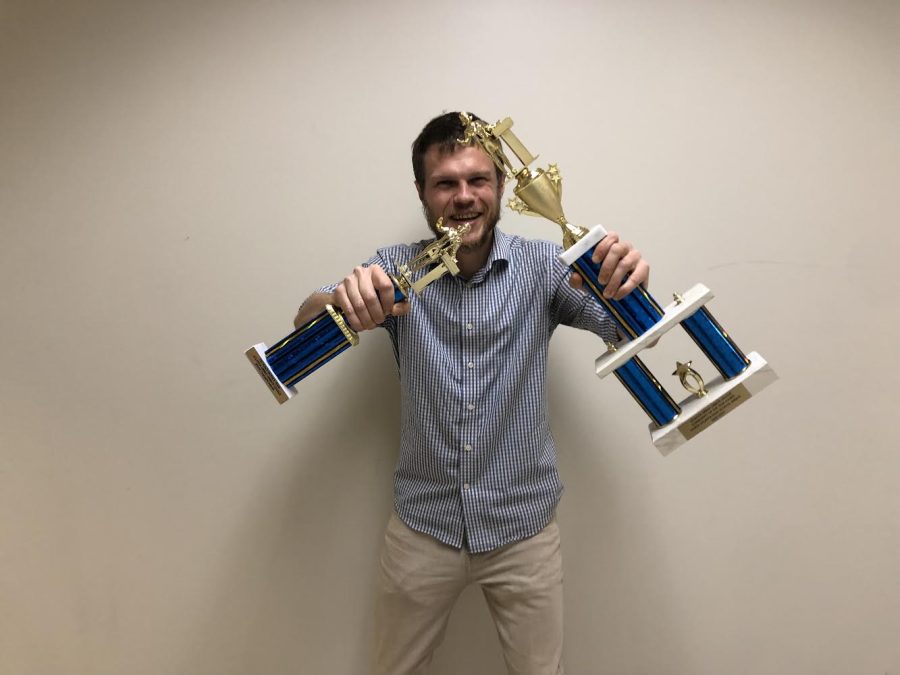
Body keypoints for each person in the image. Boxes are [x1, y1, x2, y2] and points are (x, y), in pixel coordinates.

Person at [293, 112, 649, 675]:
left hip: (523, 530)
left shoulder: (545, 268)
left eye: (478, 180)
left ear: (503, 186)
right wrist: (338, 298)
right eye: (446, 183)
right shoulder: (394, 269)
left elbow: (624, 331)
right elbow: (306, 320)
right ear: (422, 192)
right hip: (422, 528)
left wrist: (631, 287)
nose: (464, 197)